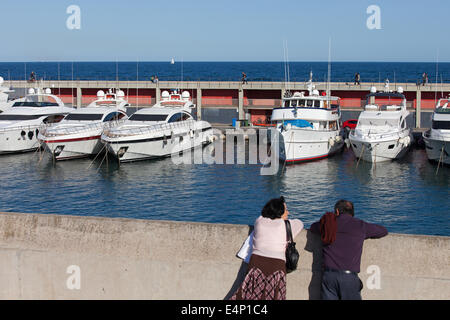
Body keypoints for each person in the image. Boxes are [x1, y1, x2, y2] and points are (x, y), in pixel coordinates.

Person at [310, 200, 388, 300]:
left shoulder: (329, 225)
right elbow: (383, 231)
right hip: (349, 278)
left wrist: (327, 221)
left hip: (328, 277)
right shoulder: (360, 226)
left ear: (337, 211)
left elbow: (313, 227)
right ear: (352, 212)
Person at [230, 196, 303, 300]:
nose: (288, 212)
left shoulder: (259, 221)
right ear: (279, 212)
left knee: (249, 294)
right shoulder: (286, 225)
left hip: (256, 263)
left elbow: (265, 217)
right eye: (285, 210)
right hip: (276, 265)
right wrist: (283, 219)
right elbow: (300, 223)